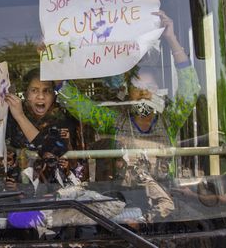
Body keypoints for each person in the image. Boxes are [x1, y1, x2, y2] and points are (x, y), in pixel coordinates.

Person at [55, 11, 200, 221]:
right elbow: (80, 106)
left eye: (149, 86)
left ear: (158, 89)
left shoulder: (170, 120)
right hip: (124, 201)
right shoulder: (114, 121)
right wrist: (54, 58)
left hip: (166, 202)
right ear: (126, 91)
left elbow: (190, 91)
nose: (143, 92)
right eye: (137, 86)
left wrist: (171, 39)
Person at [5, 67, 87, 179]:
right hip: (16, 190)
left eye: (47, 91)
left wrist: (20, 117)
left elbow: (48, 151)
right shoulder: (11, 118)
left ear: (54, 95)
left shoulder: (64, 121)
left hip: (56, 191)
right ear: (26, 94)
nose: (41, 96)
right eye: (34, 90)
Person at [21, 131, 80, 197]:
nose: (50, 162)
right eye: (46, 159)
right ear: (41, 159)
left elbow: (77, 190)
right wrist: (40, 173)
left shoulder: (60, 171)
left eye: (52, 159)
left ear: (58, 159)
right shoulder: (31, 172)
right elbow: (33, 195)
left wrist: (67, 173)